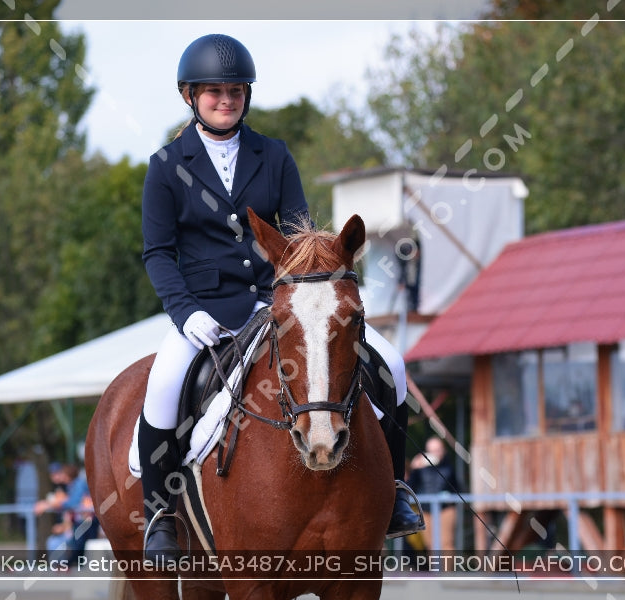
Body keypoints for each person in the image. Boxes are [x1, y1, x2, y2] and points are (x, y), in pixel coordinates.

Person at [138, 33, 421, 560]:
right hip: (205, 311)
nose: (226, 100)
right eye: (214, 92)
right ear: (190, 96)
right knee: (163, 383)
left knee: (394, 363)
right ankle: (159, 514)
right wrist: (185, 313)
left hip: (284, 305)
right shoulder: (165, 166)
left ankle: (398, 491)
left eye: (236, 91)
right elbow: (158, 253)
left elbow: (298, 235)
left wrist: (304, 294)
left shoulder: (274, 155)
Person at [35, 463, 98, 561]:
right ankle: (68, 564)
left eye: (62, 474)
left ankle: (71, 564)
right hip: (78, 521)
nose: (60, 476)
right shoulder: (70, 486)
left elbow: (72, 503)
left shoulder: (78, 484)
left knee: (77, 542)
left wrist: (49, 504)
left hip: (87, 520)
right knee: (58, 542)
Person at [408, 436, 458, 550]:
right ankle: (435, 568)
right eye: (432, 450)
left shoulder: (449, 467)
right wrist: (414, 468)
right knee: (430, 545)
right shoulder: (419, 469)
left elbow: (457, 488)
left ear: (443, 450)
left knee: (446, 543)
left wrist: (448, 497)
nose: (435, 453)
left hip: (445, 510)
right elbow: (410, 487)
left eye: (438, 450)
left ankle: (447, 568)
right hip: (425, 510)